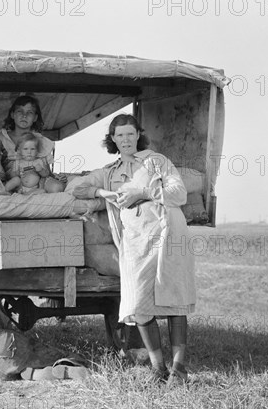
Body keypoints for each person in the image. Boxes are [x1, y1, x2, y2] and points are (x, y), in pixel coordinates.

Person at [71, 114, 196, 385]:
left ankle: (179, 368)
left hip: (167, 234)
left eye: (130, 134)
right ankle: (157, 367)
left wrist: (144, 194)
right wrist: (102, 194)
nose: (125, 139)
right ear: (112, 139)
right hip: (136, 241)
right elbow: (77, 187)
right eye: (120, 135)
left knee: (174, 298)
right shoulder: (110, 171)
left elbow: (179, 193)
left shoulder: (156, 161)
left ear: (138, 134)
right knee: (139, 303)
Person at [0, 95, 66, 193]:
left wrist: (55, 177)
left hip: (38, 182)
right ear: (12, 114)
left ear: (35, 118)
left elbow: (47, 172)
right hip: (13, 182)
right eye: (20, 111)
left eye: (29, 112)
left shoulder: (40, 140)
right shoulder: (1, 137)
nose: (24, 116)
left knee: (57, 187)